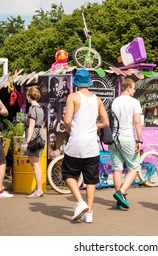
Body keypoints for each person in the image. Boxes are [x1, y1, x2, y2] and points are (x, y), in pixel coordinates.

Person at [62, 69, 108, 223]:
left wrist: (69, 128)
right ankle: (89, 213)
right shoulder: (97, 100)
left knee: (68, 174)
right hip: (91, 146)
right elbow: (106, 122)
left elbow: (67, 121)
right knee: (90, 180)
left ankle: (79, 202)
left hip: (75, 143)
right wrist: (94, 125)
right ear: (88, 83)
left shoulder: (73, 97)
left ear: (76, 83)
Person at [110, 77, 143, 209]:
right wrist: (140, 140)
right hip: (127, 138)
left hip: (114, 138)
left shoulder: (115, 102)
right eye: (133, 88)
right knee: (134, 168)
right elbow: (137, 122)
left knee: (117, 169)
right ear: (128, 88)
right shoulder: (134, 102)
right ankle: (121, 193)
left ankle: (119, 201)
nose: (134, 91)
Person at [21, 87, 45, 198]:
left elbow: (31, 126)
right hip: (41, 135)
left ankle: (39, 190)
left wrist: (26, 142)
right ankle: (38, 189)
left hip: (34, 136)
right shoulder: (40, 108)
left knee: (35, 165)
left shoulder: (32, 109)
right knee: (37, 164)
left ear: (29, 96)